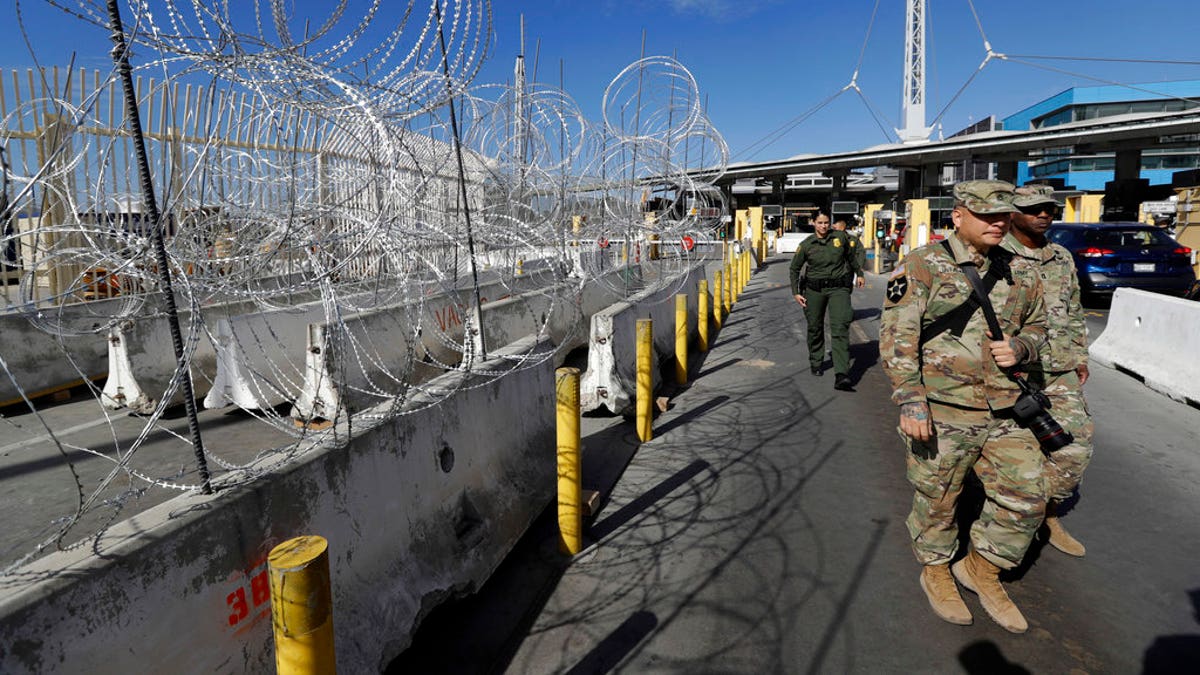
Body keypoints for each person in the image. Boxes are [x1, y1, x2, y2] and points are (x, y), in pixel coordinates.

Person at [880, 180, 1049, 633]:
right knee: (939, 498)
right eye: (987, 215)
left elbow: (1038, 327)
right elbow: (898, 338)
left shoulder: (1020, 270)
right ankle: (936, 568)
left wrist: (1022, 348)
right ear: (957, 216)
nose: (998, 223)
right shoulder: (922, 265)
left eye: (1004, 216)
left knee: (1030, 493)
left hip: (1005, 407)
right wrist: (911, 400)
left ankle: (982, 568)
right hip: (943, 408)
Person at [1007, 184, 1094, 557]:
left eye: (1050, 209)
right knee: (1014, 454)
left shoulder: (1060, 256)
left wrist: (1080, 356)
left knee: (1075, 447)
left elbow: (1073, 309)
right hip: (1013, 372)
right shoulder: (995, 255)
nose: (1044, 214)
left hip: (1058, 368)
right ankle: (1007, 524)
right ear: (1012, 212)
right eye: (1034, 208)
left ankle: (1047, 513)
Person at [789, 210, 865, 391]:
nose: (823, 226)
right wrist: (796, 292)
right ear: (813, 223)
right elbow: (794, 269)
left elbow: (851, 257)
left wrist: (859, 274)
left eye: (826, 223)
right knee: (815, 327)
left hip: (838, 289)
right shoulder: (807, 245)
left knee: (840, 327)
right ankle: (816, 360)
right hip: (814, 290)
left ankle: (842, 374)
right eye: (820, 223)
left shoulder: (840, 238)